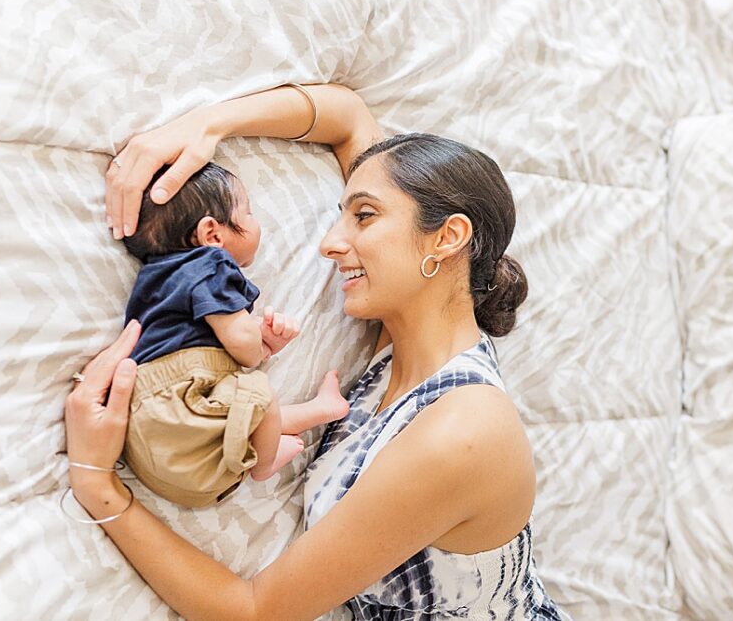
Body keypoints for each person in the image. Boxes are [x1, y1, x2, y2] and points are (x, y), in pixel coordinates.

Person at [65, 83, 569, 619]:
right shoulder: (400, 351)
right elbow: (349, 118)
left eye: (365, 216)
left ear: (447, 238)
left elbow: (256, 611)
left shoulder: (463, 432)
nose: (329, 242)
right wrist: (207, 127)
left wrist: (96, 482)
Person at [117, 161, 349, 507]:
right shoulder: (212, 264)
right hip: (183, 400)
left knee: (245, 410)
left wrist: (263, 342)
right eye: (249, 213)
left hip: (157, 439)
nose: (258, 223)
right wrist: (258, 346)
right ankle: (264, 464)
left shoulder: (155, 278)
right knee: (259, 397)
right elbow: (243, 349)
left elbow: (202, 340)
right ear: (213, 234)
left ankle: (323, 409)